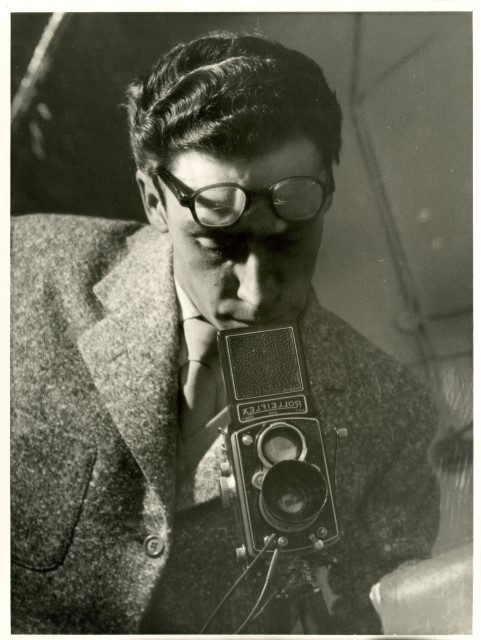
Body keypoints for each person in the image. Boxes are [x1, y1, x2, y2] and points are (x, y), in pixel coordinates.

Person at [11, 31, 440, 634]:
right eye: (219, 243)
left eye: (290, 239)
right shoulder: (18, 274)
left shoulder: (392, 414)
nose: (260, 295)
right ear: (153, 200)